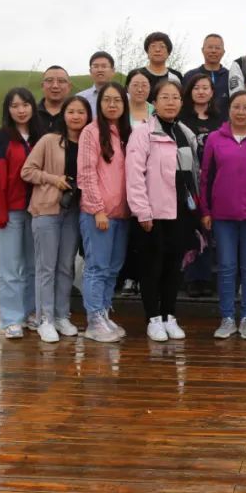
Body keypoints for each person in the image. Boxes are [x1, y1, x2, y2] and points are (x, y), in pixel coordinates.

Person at [127, 80, 201, 342]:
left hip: (181, 212)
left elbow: (193, 173)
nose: (171, 102)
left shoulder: (185, 132)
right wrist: (142, 211)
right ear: (154, 103)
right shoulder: (143, 133)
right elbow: (134, 175)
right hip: (153, 213)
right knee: (152, 268)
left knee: (174, 267)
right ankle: (153, 318)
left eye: (175, 98)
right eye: (165, 97)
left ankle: (169, 315)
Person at [200, 90, 246, 340]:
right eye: (236, 107)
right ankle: (227, 317)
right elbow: (206, 177)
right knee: (226, 267)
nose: (240, 112)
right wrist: (206, 210)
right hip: (223, 215)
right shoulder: (214, 138)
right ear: (228, 110)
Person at [21, 95, 91, 342]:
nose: (76, 116)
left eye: (81, 112)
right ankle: (45, 319)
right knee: (46, 267)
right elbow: (27, 171)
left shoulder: (89, 143)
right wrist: (53, 179)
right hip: (47, 209)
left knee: (65, 266)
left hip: (74, 211)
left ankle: (62, 315)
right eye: (71, 111)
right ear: (64, 115)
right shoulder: (49, 140)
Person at [77, 81, 132, 343]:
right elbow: (86, 173)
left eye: (117, 100)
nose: (112, 105)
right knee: (97, 267)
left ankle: (104, 312)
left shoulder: (125, 133)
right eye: (107, 100)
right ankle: (93, 319)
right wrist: (97, 209)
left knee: (113, 268)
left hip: (122, 214)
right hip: (98, 214)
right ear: (99, 104)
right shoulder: (91, 132)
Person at [0, 88, 44, 338]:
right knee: (10, 268)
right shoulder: (3, 137)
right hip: (11, 211)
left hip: (38, 210)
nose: (21, 110)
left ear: (33, 106)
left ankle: (32, 312)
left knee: (34, 266)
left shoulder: (41, 136)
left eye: (25, 104)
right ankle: (11, 319)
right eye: (14, 106)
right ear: (8, 110)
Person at [178, 73, 223, 297]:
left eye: (205, 88)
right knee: (192, 228)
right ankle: (191, 278)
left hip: (214, 181)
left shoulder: (219, 120)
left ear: (212, 92)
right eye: (196, 88)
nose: (201, 92)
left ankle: (205, 277)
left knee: (208, 228)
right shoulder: (181, 118)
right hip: (188, 181)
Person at [118, 69, 155, 296]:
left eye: (144, 85)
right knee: (127, 230)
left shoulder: (155, 111)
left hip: (150, 177)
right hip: (121, 175)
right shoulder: (120, 111)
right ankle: (128, 277)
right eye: (135, 84)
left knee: (145, 229)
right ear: (127, 87)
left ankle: (144, 277)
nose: (140, 89)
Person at [182, 33, 231, 114]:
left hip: (224, 121)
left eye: (217, 48)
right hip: (194, 120)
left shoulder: (230, 76)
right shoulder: (190, 76)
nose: (213, 51)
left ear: (223, 52)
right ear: (202, 50)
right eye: (210, 47)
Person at [77, 51, 117, 118]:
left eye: (104, 66)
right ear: (90, 71)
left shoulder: (126, 98)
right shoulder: (80, 98)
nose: (100, 70)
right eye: (95, 66)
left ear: (113, 71)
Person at [37, 66, 71, 133]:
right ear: (42, 86)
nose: (55, 86)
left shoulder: (77, 115)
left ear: (69, 86)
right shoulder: (31, 113)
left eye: (61, 81)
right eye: (49, 81)